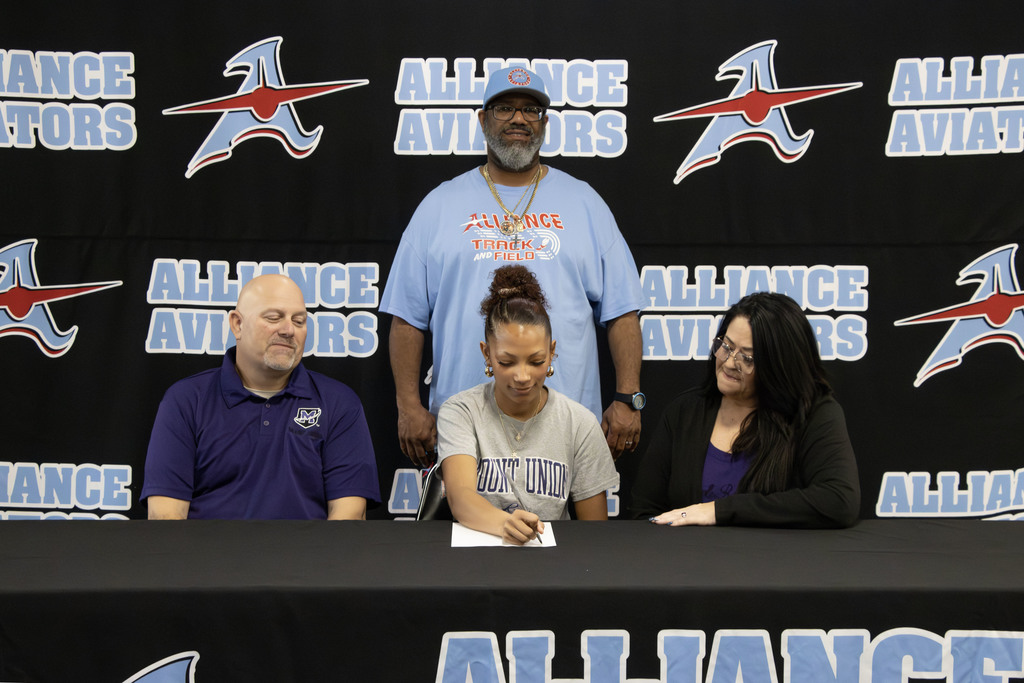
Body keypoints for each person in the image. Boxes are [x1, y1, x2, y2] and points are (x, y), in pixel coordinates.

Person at [380, 66, 645, 469]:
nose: (519, 119)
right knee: (465, 531)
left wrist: (628, 398)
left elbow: (623, 311)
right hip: (465, 426)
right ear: (483, 119)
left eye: (531, 110)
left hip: (566, 424)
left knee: (575, 534)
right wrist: (408, 406)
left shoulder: (585, 202)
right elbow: (407, 318)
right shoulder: (440, 204)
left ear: (545, 123)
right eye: (504, 107)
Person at [141, 274, 380, 520]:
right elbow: (165, 517)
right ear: (237, 324)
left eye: (299, 321)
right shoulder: (186, 400)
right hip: (207, 557)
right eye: (273, 318)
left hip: (310, 558)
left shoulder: (339, 403)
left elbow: (349, 518)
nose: (289, 330)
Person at [630, 292, 860, 528]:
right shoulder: (684, 412)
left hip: (773, 561)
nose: (729, 363)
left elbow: (838, 500)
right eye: (725, 347)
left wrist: (718, 511)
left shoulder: (814, 413)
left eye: (747, 358)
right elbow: (645, 511)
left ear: (780, 365)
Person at [437, 265, 620, 544]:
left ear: (552, 352)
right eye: (506, 362)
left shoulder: (579, 422)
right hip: (474, 567)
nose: (522, 377)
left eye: (536, 361)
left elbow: (595, 533)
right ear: (487, 354)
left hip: (551, 570)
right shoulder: (461, 412)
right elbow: (461, 498)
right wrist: (505, 523)